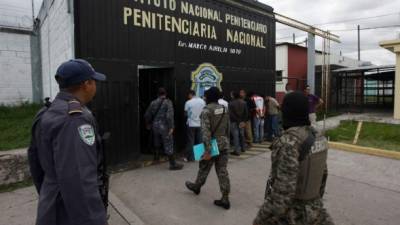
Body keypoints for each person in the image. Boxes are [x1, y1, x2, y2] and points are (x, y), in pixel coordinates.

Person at [28, 59, 108, 225]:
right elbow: (79, 178)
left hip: (50, 205)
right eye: (94, 81)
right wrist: (95, 220)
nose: (96, 86)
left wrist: (49, 193)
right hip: (71, 214)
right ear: (86, 84)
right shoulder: (76, 119)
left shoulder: (46, 112)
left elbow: (35, 162)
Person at [253, 91, 334, 225]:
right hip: (317, 212)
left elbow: (282, 195)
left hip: (294, 215)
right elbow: (323, 175)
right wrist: (313, 203)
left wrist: (260, 220)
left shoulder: (288, 142)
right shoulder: (319, 137)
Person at [185, 87, 231, 209]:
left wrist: (208, 149)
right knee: (222, 171)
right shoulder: (224, 109)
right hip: (224, 143)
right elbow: (228, 127)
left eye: (206, 96)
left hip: (212, 145)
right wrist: (227, 141)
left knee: (204, 167)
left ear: (209, 97)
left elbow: (205, 132)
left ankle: (197, 186)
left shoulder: (206, 111)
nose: (204, 98)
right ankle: (225, 198)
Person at [145, 87, 183, 170]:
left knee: (156, 141)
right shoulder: (168, 102)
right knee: (168, 143)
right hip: (164, 126)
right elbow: (169, 116)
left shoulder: (153, 103)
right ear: (165, 94)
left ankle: (156, 157)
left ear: (158, 94)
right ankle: (172, 164)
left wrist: (148, 124)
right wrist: (171, 127)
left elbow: (147, 114)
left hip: (155, 126)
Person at [184, 90, 206, 162]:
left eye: (188, 95)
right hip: (200, 123)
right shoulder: (203, 102)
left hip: (191, 124)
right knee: (200, 140)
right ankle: (199, 156)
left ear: (191, 94)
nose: (188, 97)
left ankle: (190, 158)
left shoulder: (188, 102)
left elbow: (185, 114)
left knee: (190, 141)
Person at [229, 91, 248, 156]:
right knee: (242, 135)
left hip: (234, 122)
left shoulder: (231, 103)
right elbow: (246, 113)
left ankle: (237, 151)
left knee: (235, 136)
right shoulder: (244, 102)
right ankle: (243, 148)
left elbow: (231, 114)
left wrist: (237, 120)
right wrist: (243, 121)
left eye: (231, 95)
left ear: (233, 96)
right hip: (242, 121)